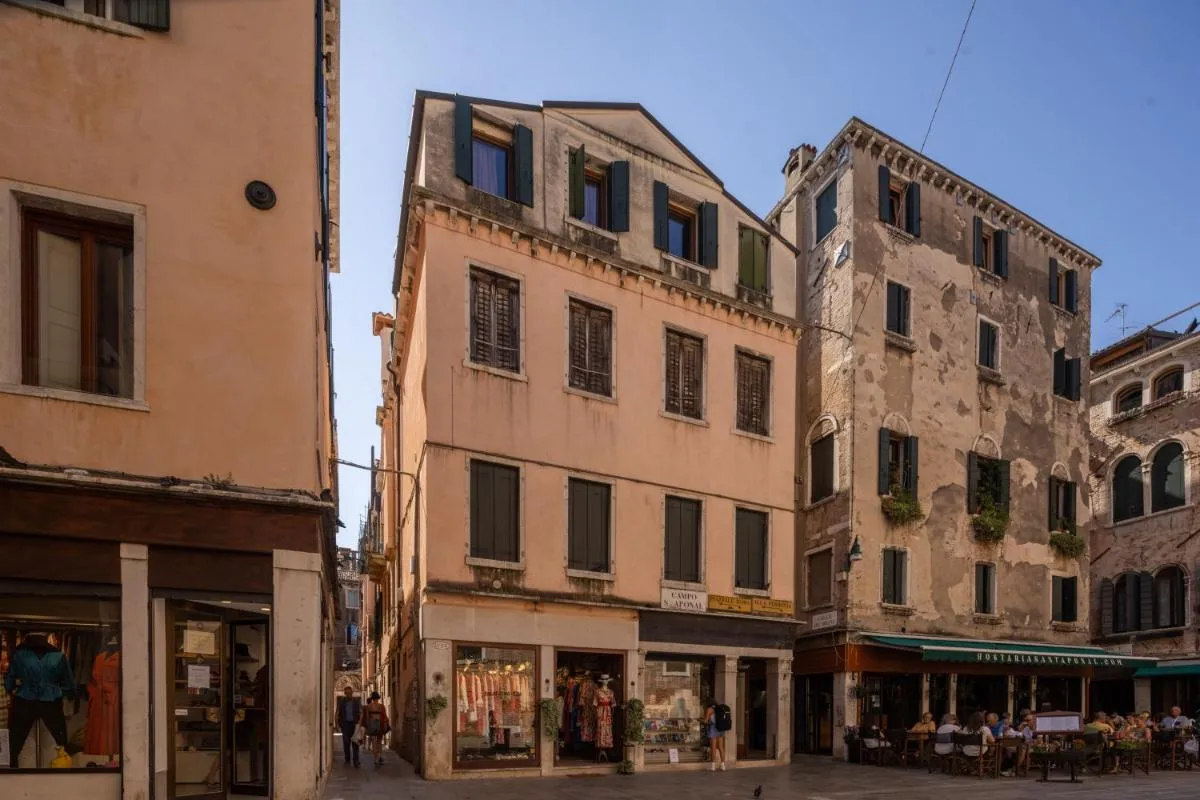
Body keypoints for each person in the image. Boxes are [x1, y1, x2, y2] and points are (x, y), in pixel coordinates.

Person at [336, 686, 363, 767]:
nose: (348, 694)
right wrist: (337, 724)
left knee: (355, 742)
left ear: (352, 693)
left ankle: (356, 761)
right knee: (346, 742)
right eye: (347, 693)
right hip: (345, 724)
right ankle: (347, 759)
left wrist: (360, 722)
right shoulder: (341, 702)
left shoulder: (356, 701)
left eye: (350, 693)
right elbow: (337, 712)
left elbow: (361, 712)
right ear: (345, 693)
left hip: (354, 724)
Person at [361, 691, 390, 767]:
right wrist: (386, 724)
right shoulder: (381, 706)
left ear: (372, 698)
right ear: (378, 698)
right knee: (379, 742)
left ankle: (375, 759)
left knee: (373, 742)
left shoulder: (368, 706)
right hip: (379, 723)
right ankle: (380, 756)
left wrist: (367, 726)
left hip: (372, 724)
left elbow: (367, 717)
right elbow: (385, 716)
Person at [703, 699, 728, 771]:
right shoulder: (719, 708)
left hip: (713, 729)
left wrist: (702, 720)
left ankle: (713, 766)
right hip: (720, 729)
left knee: (713, 748)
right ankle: (723, 765)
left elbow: (705, 721)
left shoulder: (709, 709)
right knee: (721, 748)